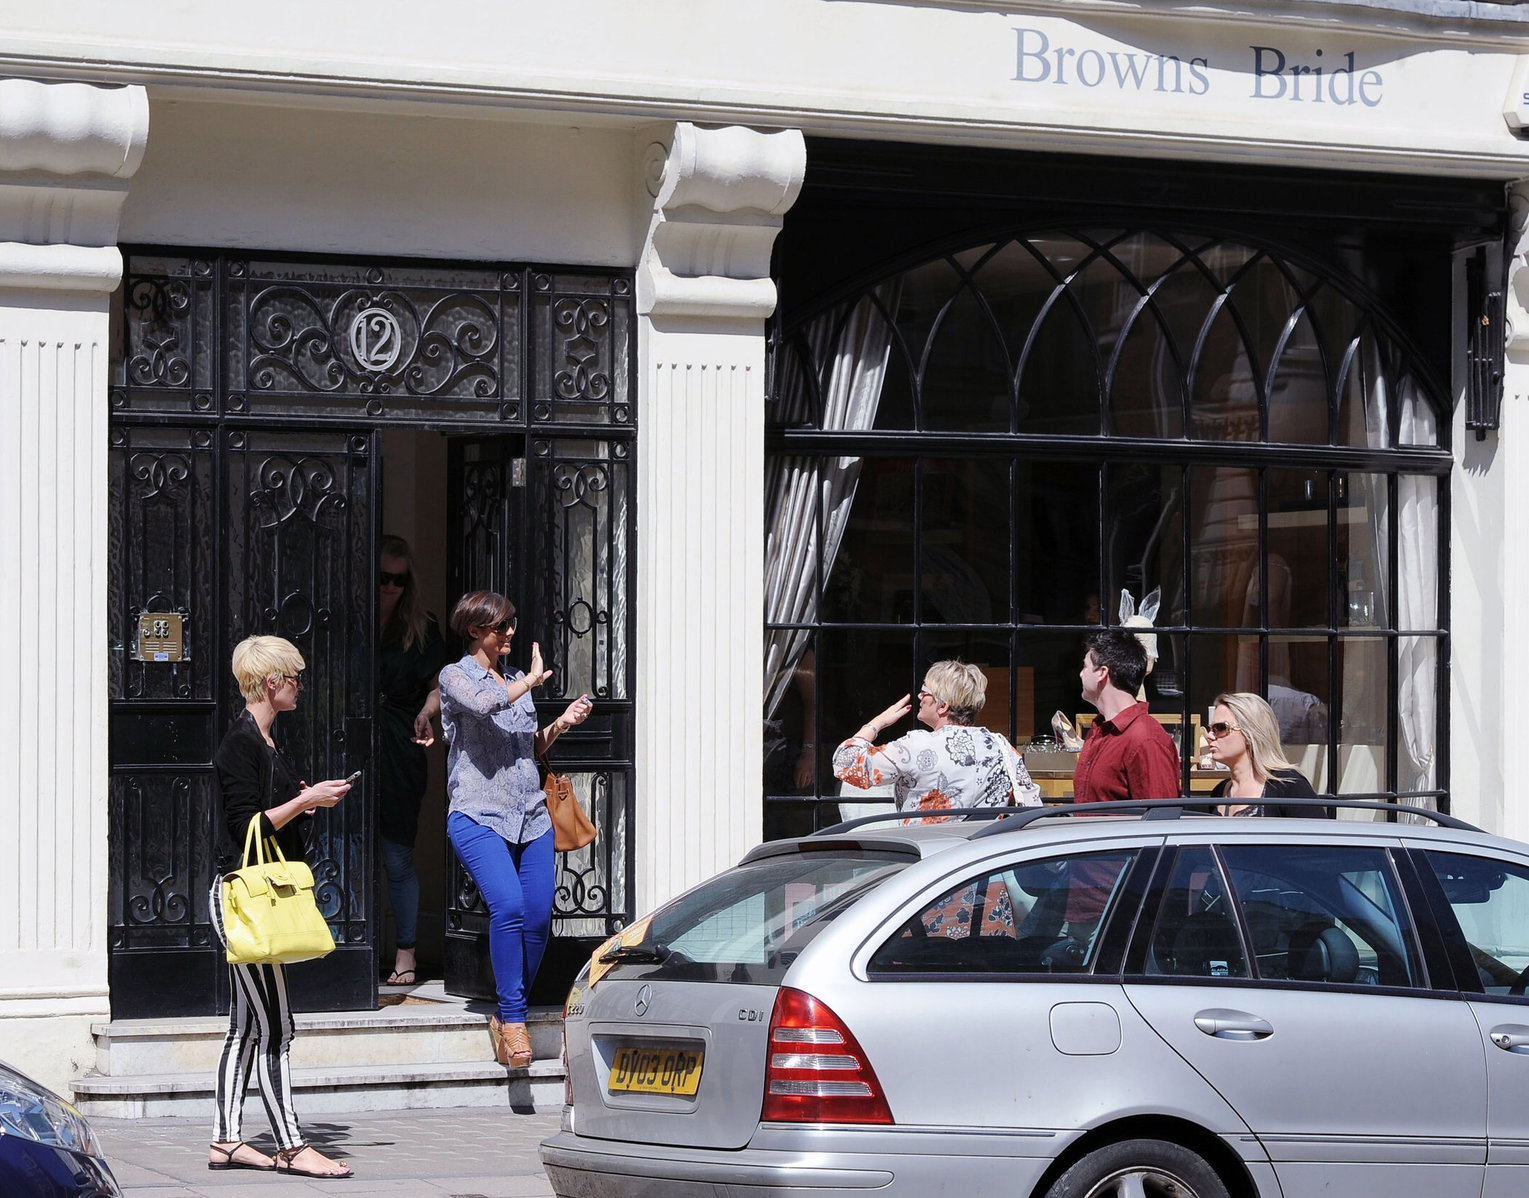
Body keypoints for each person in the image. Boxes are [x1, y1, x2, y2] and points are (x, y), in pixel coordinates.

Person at [208, 636, 354, 1178]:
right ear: (272, 682)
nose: (299, 684)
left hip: (252, 900)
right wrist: (304, 800)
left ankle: (225, 1139)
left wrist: (309, 802)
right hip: (243, 901)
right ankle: (292, 1146)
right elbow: (243, 826)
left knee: (245, 1027)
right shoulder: (239, 745)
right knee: (275, 1027)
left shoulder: (268, 744)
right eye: (294, 676)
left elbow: (274, 818)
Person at [439, 590, 593, 1068]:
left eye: (511, 624)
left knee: (538, 918)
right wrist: (528, 680)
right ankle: (512, 1018)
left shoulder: (511, 681)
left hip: (532, 815)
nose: (509, 632)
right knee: (506, 906)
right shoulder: (454, 677)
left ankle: (510, 1016)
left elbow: (526, 746)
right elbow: (485, 706)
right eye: (500, 626)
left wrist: (562, 723)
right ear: (474, 630)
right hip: (476, 814)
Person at [833, 659, 1041, 815]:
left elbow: (845, 763)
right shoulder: (1000, 746)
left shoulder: (915, 747)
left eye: (925, 691)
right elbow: (1032, 806)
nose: (919, 696)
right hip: (983, 862)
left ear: (943, 706)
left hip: (931, 861)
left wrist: (877, 723)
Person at [376, 535, 448, 986]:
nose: (388, 587)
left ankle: (406, 952)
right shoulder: (344, 618)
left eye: (397, 580)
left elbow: (440, 685)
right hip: (348, 740)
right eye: (382, 578)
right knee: (337, 849)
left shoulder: (422, 627)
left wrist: (426, 712)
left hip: (400, 744)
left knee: (396, 854)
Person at [1073, 628, 1181, 805]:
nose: (1081, 674)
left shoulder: (1146, 739)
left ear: (1102, 673)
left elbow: (1160, 820)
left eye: (1085, 666)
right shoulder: (1099, 731)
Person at [1206, 691, 1326, 817]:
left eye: (1220, 728)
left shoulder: (1287, 785)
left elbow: (1320, 834)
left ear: (1250, 732)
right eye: (1210, 729)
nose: (1210, 736)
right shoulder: (1219, 792)